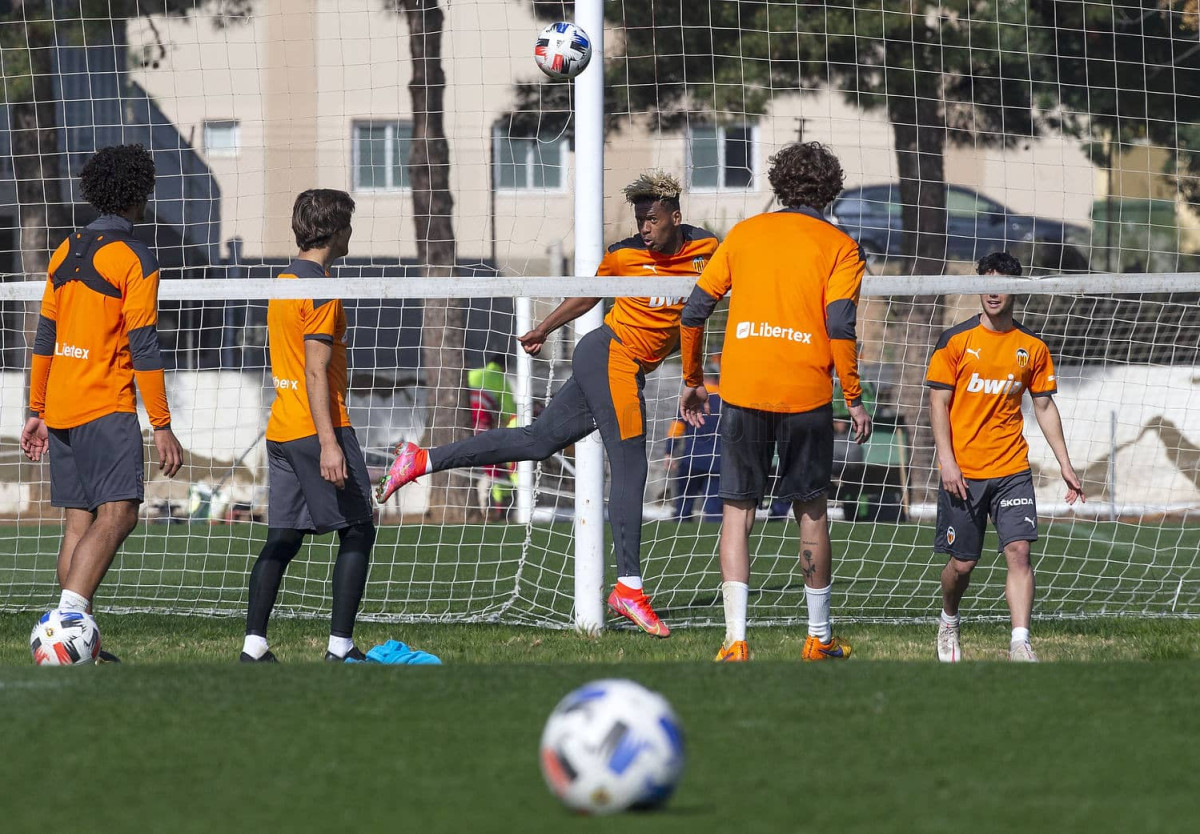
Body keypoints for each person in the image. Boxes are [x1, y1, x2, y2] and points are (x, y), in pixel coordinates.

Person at [376, 171, 720, 637]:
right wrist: (544, 327)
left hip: (624, 367)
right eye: (640, 219)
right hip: (609, 355)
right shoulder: (623, 256)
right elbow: (588, 295)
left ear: (675, 217)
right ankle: (629, 589)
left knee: (537, 441)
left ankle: (421, 459)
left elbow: (703, 310)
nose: (644, 228)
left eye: (652, 220)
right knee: (631, 463)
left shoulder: (707, 250)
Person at [678, 141, 872, 662]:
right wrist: (853, 397)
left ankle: (736, 641)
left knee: (737, 512)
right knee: (811, 511)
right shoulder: (841, 246)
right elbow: (839, 326)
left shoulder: (743, 234)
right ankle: (818, 638)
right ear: (830, 190)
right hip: (806, 393)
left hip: (743, 390)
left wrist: (693, 379)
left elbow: (693, 312)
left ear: (779, 184)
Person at [20, 144, 184, 662]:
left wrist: (37, 410)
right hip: (104, 407)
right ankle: (65, 627)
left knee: (79, 524)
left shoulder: (64, 251)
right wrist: (162, 423)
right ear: (140, 194)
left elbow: (44, 338)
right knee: (120, 514)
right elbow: (144, 346)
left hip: (62, 408)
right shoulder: (134, 257)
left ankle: (74, 646)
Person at [926, 251, 1085, 662]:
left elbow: (1044, 406)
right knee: (962, 565)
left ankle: (1020, 642)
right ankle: (948, 619)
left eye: (1001, 284)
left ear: (1016, 289)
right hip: (964, 471)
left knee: (1019, 552)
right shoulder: (955, 341)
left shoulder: (1031, 347)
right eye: (987, 282)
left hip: (1012, 469)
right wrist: (947, 461)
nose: (993, 292)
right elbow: (938, 403)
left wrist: (1065, 464)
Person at [240, 189, 377, 663]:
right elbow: (315, 370)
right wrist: (329, 443)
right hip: (318, 426)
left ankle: (254, 646)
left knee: (283, 536)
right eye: (349, 225)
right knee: (359, 528)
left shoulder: (283, 282)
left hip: (281, 429)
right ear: (336, 231)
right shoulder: (319, 288)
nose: (352, 232)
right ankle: (341, 647)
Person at [664, 365, 722, 521]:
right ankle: (714, 533)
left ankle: (680, 526)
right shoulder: (725, 400)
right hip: (718, 461)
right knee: (714, 508)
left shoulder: (693, 399)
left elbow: (676, 428)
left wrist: (669, 452)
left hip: (692, 459)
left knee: (683, 504)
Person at [467, 353, 518, 518]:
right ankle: (500, 507)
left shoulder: (472, 373)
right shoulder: (500, 378)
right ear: (503, 367)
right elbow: (510, 413)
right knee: (496, 465)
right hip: (481, 426)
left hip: (460, 425)